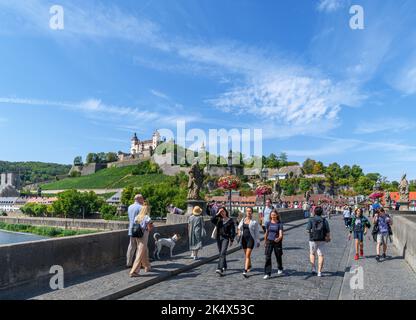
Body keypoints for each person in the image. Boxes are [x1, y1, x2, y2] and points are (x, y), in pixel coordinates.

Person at [129, 204, 154, 277]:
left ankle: (147, 266)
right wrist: (149, 228)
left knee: (144, 250)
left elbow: (136, 225)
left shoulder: (137, 217)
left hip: (137, 234)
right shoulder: (147, 217)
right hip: (144, 235)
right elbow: (150, 228)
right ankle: (134, 271)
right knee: (140, 252)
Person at [306, 206, 330, 277]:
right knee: (321, 255)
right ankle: (319, 272)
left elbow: (307, 230)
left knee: (312, 254)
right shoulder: (324, 220)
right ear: (322, 212)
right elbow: (328, 231)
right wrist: (328, 238)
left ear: (314, 212)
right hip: (322, 239)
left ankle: (313, 268)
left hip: (313, 239)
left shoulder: (311, 219)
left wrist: (312, 232)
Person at [211, 207, 236, 276]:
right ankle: (224, 265)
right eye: (221, 212)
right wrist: (217, 213)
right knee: (221, 253)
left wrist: (231, 239)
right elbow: (212, 220)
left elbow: (232, 231)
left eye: (223, 211)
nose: (222, 213)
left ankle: (220, 268)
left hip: (226, 238)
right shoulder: (218, 219)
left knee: (222, 252)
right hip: (219, 237)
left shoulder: (230, 220)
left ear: (226, 211)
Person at [237, 207, 260, 278]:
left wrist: (258, 241)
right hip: (244, 239)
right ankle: (249, 265)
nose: (248, 212)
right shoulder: (243, 220)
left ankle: (245, 270)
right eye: (247, 211)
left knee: (247, 255)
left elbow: (257, 233)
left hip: (251, 240)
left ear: (252, 212)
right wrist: (238, 233)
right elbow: (239, 228)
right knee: (247, 255)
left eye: (250, 211)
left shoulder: (254, 222)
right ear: (246, 212)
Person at [263, 209, 284, 279]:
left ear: (277, 215)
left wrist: (279, 238)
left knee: (278, 256)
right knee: (267, 257)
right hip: (269, 241)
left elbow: (281, 234)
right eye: (272, 215)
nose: (273, 216)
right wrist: (265, 242)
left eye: (274, 215)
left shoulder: (279, 224)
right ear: (270, 216)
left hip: (277, 242)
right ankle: (267, 273)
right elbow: (266, 233)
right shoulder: (268, 223)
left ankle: (280, 267)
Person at [126, 194, 144, 268]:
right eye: (142, 199)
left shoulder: (130, 207)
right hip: (139, 229)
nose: (143, 200)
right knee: (140, 247)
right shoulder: (141, 207)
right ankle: (139, 264)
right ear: (139, 199)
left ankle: (128, 263)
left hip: (131, 228)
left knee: (131, 246)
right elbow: (142, 220)